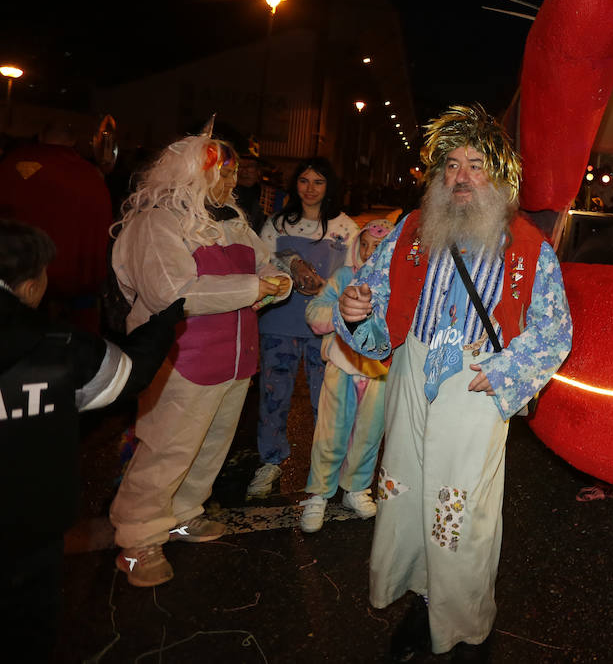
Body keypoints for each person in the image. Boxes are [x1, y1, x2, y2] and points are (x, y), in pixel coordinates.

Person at [334, 104, 572, 660]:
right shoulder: (411, 231)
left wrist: (509, 371)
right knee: (407, 494)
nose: (461, 176)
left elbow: (554, 330)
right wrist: (354, 312)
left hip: (478, 384)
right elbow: (373, 301)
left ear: (498, 178)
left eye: (475, 166)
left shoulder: (529, 247)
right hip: (413, 374)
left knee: (461, 509)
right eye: (452, 165)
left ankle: (464, 623)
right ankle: (421, 601)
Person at [108, 130, 291, 587]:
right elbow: (171, 293)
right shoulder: (158, 220)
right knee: (167, 446)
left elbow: (264, 263)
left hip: (234, 356)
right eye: (223, 172)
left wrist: (276, 280)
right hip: (181, 355)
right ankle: (137, 538)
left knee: (210, 444)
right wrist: (254, 288)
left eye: (231, 172)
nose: (232, 180)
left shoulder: (229, 216)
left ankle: (185, 511)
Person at [0, 220, 183, 658]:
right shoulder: (58, 348)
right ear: (29, 286)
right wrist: (162, 325)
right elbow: (127, 375)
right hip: (28, 532)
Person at [249, 157, 358, 500]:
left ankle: (327, 466)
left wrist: (330, 285)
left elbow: (359, 270)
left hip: (323, 330)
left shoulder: (345, 227)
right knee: (273, 397)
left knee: (325, 401)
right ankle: (270, 461)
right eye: (304, 181)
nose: (310, 188)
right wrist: (288, 270)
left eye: (318, 182)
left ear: (330, 187)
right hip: (279, 324)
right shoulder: (277, 224)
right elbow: (260, 263)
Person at [298, 218, 395, 533]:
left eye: (377, 248)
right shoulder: (343, 277)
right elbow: (314, 313)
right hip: (341, 368)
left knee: (369, 435)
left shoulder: (399, 284)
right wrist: (340, 310)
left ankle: (356, 487)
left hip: (380, 373)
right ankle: (319, 494)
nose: (368, 253)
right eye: (364, 245)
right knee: (330, 433)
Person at [0, 121, 113, 332]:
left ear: (41, 137)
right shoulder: (88, 174)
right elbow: (99, 225)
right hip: (75, 273)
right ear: (73, 142)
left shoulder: (10, 164)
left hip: (16, 273)